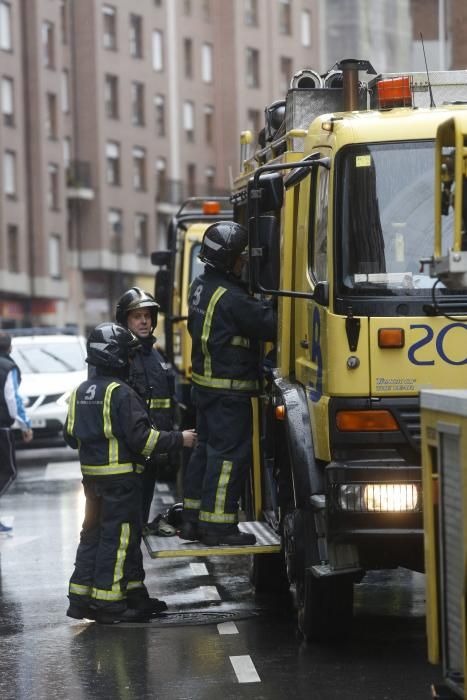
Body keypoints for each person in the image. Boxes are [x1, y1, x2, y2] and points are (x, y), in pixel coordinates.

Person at [64, 322, 196, 624]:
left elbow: (70, 436)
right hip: (122, 482)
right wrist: (180, 440)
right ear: (119, 357)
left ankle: (80, 600)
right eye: (129, 354)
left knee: (92, 537)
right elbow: (144, 440)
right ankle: (109, 605)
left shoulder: (79, 392)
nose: (132, 360)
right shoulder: (121, 394)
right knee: (118, 539)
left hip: (92, 482)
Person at [180, 221, 277, 546]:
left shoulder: (200, 286)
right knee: (229, 458)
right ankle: (219, 526)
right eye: (240, 257)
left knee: (205, 452)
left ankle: (193, 521)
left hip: (206, 389)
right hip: (229, 393)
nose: (244, 262)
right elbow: (271, 325)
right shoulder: (233, 298)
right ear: (227, 260)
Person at [115, 287, 182, 534]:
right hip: (130, 452)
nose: (144, 321)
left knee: (140, 519)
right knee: (126, 524)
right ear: (125, 320)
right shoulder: (119, 356)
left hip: (153, 448)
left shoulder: (155, 355)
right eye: (137, 316)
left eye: (147, 316)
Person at [0, 333, 33, 533]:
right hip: (2, 429)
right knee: (9, 472)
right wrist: (25, 426)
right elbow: (12, 399)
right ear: (10, 348)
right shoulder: (7, 368)